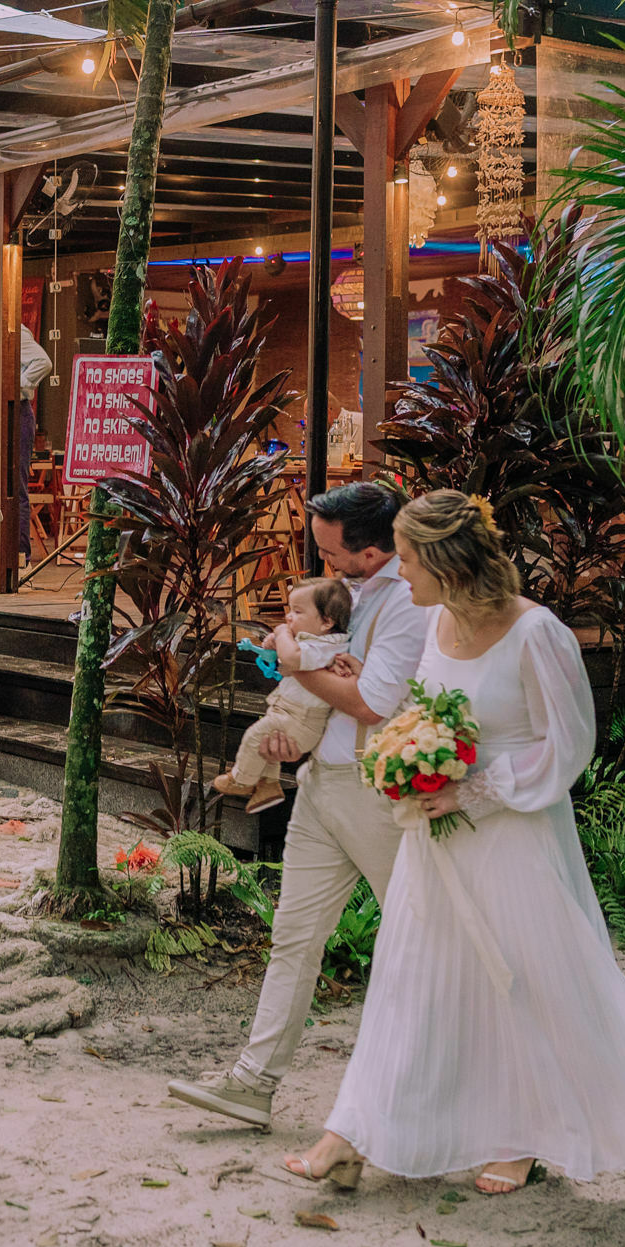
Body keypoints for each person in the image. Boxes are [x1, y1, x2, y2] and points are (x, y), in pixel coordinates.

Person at [282, 490, 625, 1194]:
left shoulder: (537, 632)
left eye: (406, 560)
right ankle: (353, 1130)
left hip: (516, 833)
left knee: (524, 984)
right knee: (409, 979)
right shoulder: (433, 624)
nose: (398, 576)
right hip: (435, 839)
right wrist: (406, 757)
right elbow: (416, 709)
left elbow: (570, 743)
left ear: (445, 560)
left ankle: (525, 1133)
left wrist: (471, 790)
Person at [167, 482, 428, 1129]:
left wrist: (295, 662)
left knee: (422, 940)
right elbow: (330, 689)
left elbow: (370, 700)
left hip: (374, 792)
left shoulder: (408, 604)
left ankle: (443, 1091)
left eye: (330, 551)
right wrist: (291, 731)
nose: (321, 561)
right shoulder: (347, 592)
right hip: (317, 783)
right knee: (293, 938)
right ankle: (253, 1083)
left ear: (370, 553)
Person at [212, 578, 353, 814]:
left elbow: (292, 659)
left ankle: (242, 779)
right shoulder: (313, 641)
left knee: (255, 736)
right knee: (267, 746)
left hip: (303, 720)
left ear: (326, 621)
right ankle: (268, 786)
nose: (288, 618)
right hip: (291, 713)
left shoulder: (328, 645)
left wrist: (281, 632)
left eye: (296, 612)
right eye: (288, 611)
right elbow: (285, 658)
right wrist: (273, 645)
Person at [0, 323, 54, 556]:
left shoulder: (14, 330)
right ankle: (2, 553)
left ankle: (20, 554)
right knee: (0, 486)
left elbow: (44, 362)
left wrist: (16, 386)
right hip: (0, 413)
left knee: (16, 486)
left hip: (16, 409)